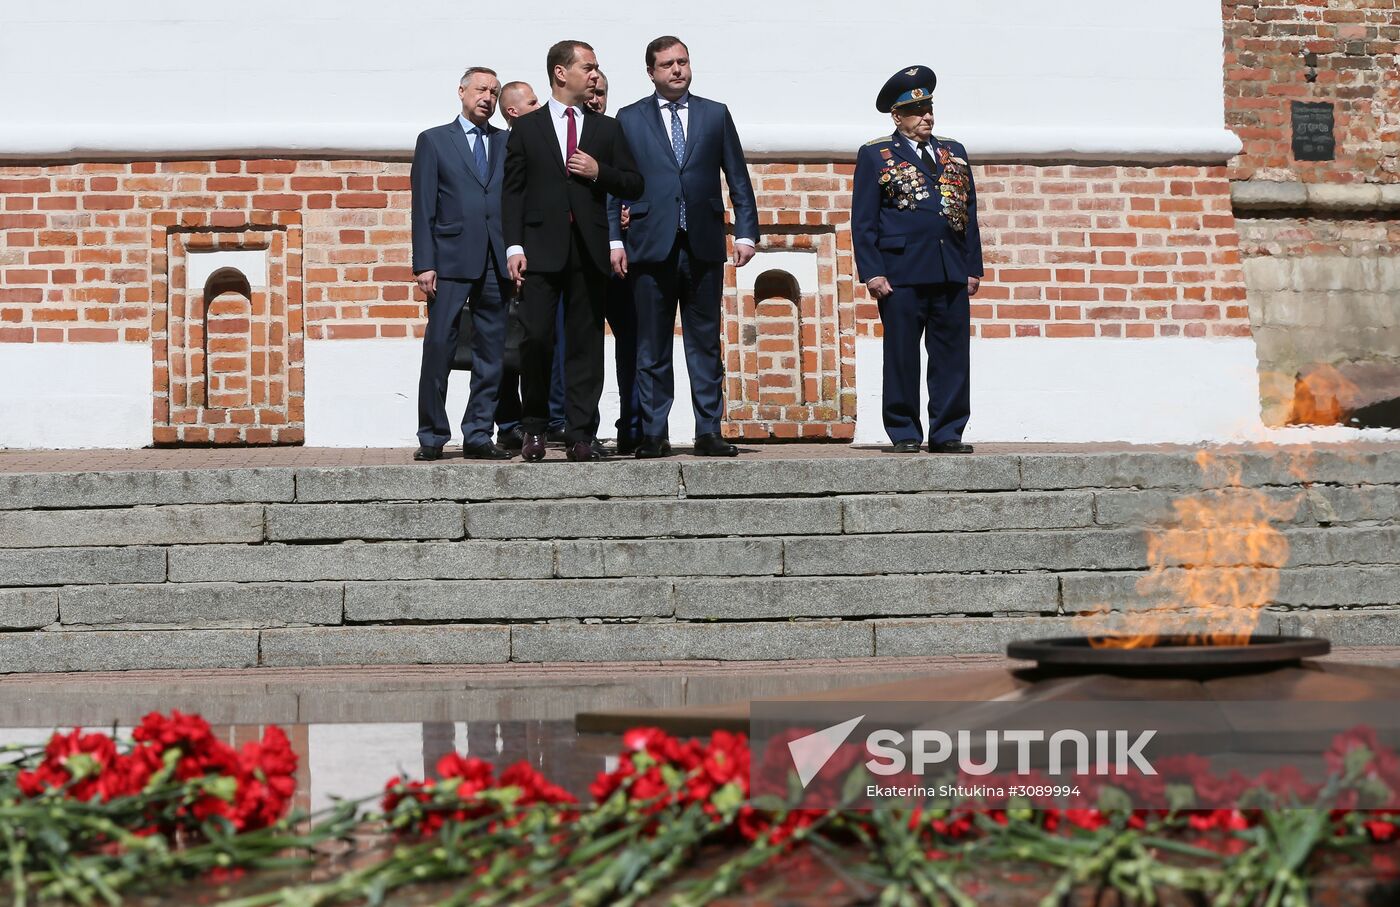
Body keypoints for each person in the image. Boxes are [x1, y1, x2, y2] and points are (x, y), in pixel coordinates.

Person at [609, 36, 759, 458]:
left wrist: (746, 231)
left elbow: (737, 175)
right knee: (651, 345)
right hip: (649, 243)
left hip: (703, 242)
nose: (677, 70)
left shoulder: (715, 114)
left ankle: (708, 430)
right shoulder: (630, 118)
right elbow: (617, 185)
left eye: (682, 62)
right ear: (651, 72)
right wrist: (614, 238)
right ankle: (654, 433)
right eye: (667, 64)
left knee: (705, 343)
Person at [503, 40, 644, 463]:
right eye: (589, 67)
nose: (596, 74)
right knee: (537, 340)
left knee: (586, 344)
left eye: (597, 68)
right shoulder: (527, 128)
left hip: (589, 249)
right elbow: (512, 194)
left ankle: (582, 433)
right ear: (561, 73)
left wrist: (600, 172)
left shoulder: (607, 128)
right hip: (540, 250)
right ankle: (534, 429)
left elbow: (635, 183)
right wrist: (514, 246)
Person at [851, 65, 983, 454]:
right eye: (917, 110)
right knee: (902, 356)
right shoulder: (876, 154)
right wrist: (872, 271)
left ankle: (948, 431)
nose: (926, 116)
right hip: (901, 273)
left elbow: (968, 213)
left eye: (929, 108)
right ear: (898, 116)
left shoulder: (953, 152)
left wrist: (973, 267)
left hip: (949, 269)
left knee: (952, 356)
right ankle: (905, 431)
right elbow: (863, 220)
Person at [411, 66, 512, 461]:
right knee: (439, 347)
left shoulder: (507, 142)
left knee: (492, 352)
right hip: (449, 260)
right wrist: (424, 263)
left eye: (493, 92)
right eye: (481, 89)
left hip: (495, 260)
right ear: (462, 91)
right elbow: (423, 206)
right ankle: (432, 436)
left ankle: (478, 434)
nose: (487, 97)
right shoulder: (435, 141)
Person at [587, 71, 644, 454]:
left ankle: (632, 425)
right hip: (584, 256)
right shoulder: (567, 136)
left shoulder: (615, 131)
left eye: (601, 92)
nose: (595, 98)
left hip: (624, 258)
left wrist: (629, 213)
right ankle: (581, 429)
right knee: (584, 346)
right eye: (590, 92)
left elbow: (636, 183)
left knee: (633, 344)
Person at [492, 81, 540, 452]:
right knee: (505, 347)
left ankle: (539, 420)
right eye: (533, 101)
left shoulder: (543, 140)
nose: (539, 106)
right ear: (513, 110)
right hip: (504, 256)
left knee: (533, 344)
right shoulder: (498, 143)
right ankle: (508, 422)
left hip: (535, 256)